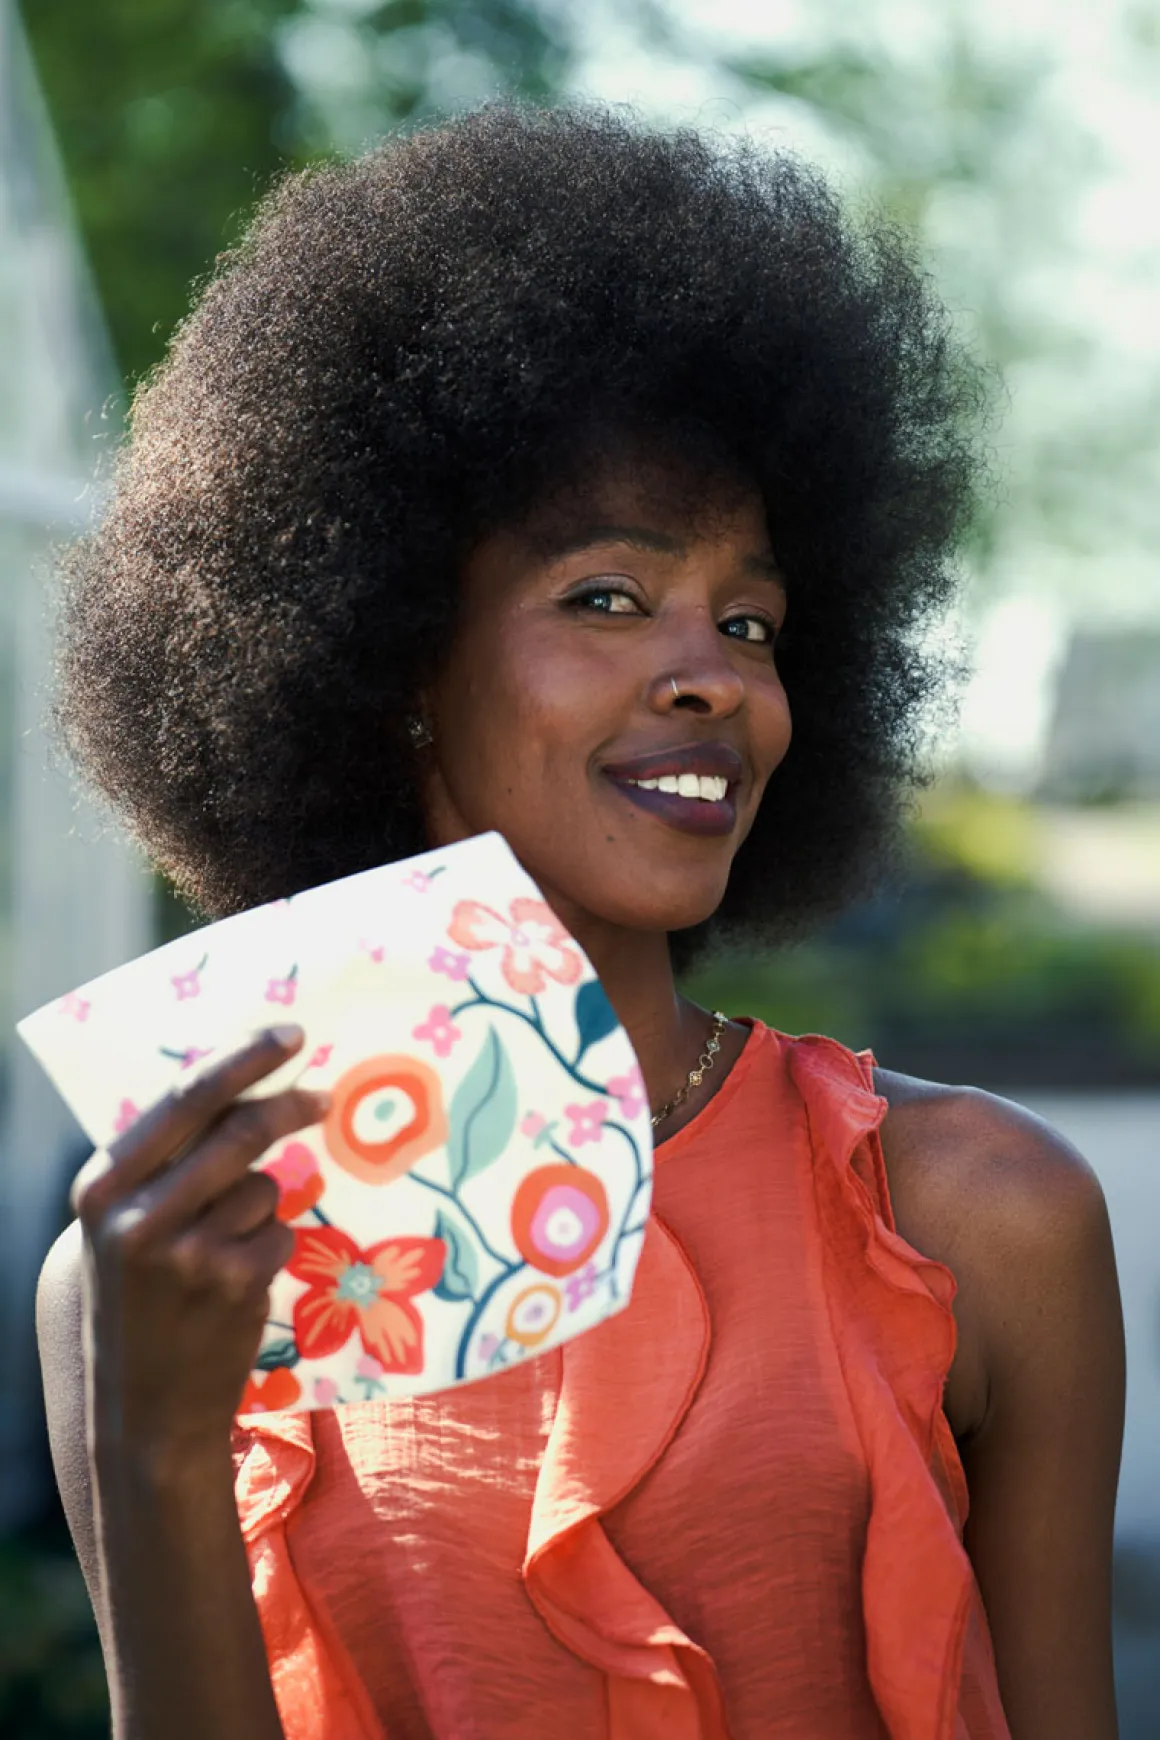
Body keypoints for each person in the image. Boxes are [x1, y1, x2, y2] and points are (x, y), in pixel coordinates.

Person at [34, 103, 1124, 1740]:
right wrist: (157, 1445)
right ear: (390, 657)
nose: (714, 677)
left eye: (750, 623)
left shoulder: (978, 1216)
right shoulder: (170, 1278)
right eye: (608, 597)